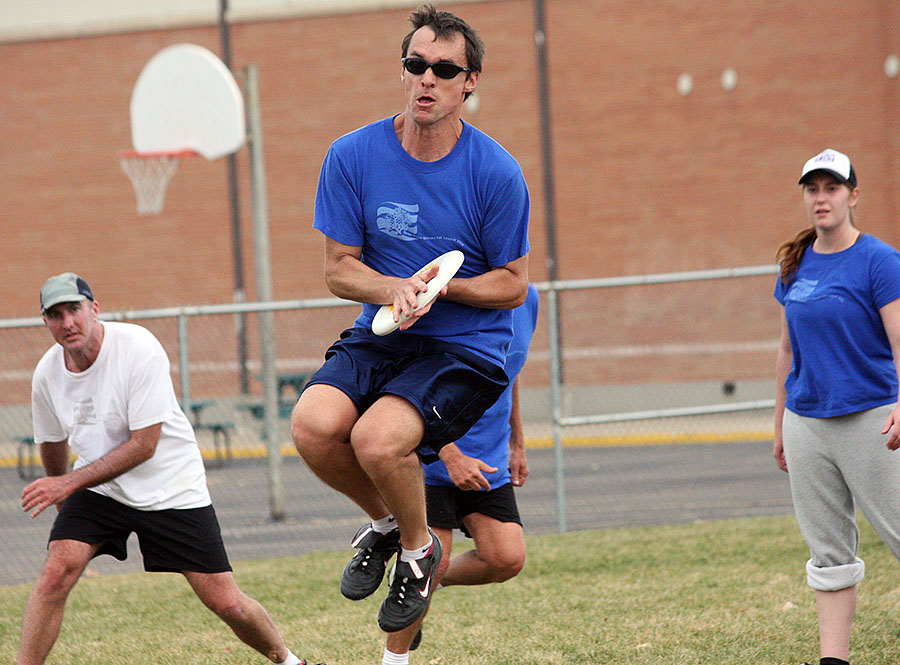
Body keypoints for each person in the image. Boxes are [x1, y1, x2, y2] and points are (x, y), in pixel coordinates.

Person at [290, 1, 530, 642]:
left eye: (445, 70)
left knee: (375, 441)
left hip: (463, 348)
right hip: (386, 332)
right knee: (313, 427)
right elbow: (339, 269)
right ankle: (397, 530)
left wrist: (442, 290)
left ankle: (422, 554)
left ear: (470, 81)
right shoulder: (352, 155)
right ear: (403, 70)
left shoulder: (496, 172)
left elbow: (514, 284)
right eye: (416, 64)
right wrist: (396, 289)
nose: (428, 78)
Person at [19, 273, 321, 665]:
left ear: (94, 309)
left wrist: (67, 484)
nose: (67, 323)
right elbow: (52, 441)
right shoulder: (47, 373)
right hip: (100, 488)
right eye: (55, 315)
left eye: (74, 310)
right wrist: (63, 499)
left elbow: (145, 446)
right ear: (45, 322)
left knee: (226, 603)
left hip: (170, 485)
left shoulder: (137, 348)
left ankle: (287, 660)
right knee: (56, 571)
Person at [773, 148, 900, 665]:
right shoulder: (794, 264)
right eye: (812, 189)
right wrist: (779, 423)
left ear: (853, 195)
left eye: (831, 188)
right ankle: (834, 661)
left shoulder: (879, 260)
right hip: (807, 423)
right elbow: (786, 350)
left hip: (872, 419)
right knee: (828, 555)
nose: (821, 199)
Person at [384, 283, 539, 663]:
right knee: (428, 561)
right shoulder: (436, 298)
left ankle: (418, 582)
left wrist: (517, 442)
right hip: (430, 455)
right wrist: (448, 454)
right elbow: (408, 384)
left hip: (487, 455)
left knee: (506, 558)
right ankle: (395, 657)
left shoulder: (524, 297)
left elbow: (510, 368)